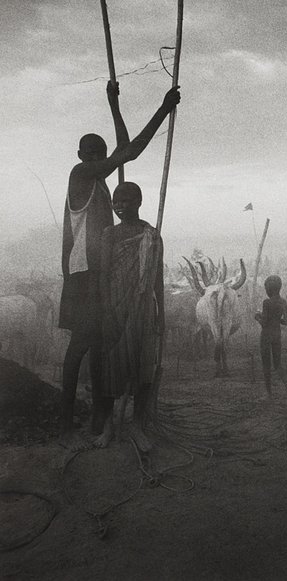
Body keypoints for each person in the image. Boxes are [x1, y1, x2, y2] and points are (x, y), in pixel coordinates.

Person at [58, 80, 180, 450]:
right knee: (82, 346)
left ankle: (99, 416)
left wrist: (114, 105)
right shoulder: (81, 175)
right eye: (91, 152)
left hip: (96, 273)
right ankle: (70, 420)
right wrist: (163, 109)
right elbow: (132, 151)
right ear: (81, 155)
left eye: (100, 153)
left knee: (99, 347)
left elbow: (125, 150)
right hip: (84, 275)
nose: (96, 157)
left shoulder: (97, 179)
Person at [95, 182, 164, 451]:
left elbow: (157, 278)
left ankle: (137, 425)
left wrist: (162, 315)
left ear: (139, 201)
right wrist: (106, 310)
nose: (119, 206)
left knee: (143, 366)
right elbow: (103, 276)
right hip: (115, 307)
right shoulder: (109, 235)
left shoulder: (152, 235)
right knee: (111, 366)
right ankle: (109, 427)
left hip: (144, 309)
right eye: (116, 201)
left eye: (125, 200)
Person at [255, 275, 287, 396]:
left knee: (266, 365)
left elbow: (264, 323)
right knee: (278, 364)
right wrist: (276, 319)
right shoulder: (283, 302)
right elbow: (286, 321)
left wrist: (257, 317)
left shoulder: (266, 302)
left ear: (268, 289)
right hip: (277, 335)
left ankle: (269, 394)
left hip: (266, 336)